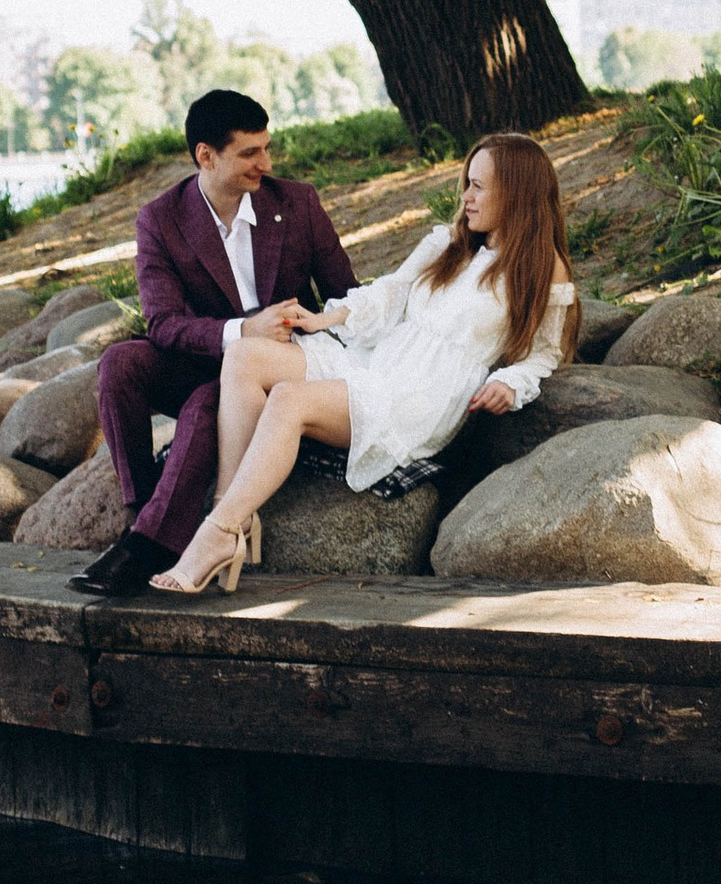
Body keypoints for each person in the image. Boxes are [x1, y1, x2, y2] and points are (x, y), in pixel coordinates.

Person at [151, 131, 580, 596]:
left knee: (290, 400)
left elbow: (546, 352)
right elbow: (390, 292)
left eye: (478, 187)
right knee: (244, 354)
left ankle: (216, 533)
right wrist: (325, 319)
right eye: (467, 184)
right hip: (379, 361)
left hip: (422, 396)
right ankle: (231, 514)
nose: (465, 197)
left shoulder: (542, 267)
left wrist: (511, 382)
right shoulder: (447, 243)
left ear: (516, 193)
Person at [75, 87, 361, 601]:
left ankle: (146, 548)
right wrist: (242, 331)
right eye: (250, 153)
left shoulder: (296, 203)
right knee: (119, 362)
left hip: (273, 368)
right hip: (200, 357)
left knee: (208, 403)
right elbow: (163, 324)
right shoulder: (160, 219)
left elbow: (346, 296)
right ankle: (143, 514)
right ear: (206, 156)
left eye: (266, 148)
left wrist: (317, 331)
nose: (265, 163)